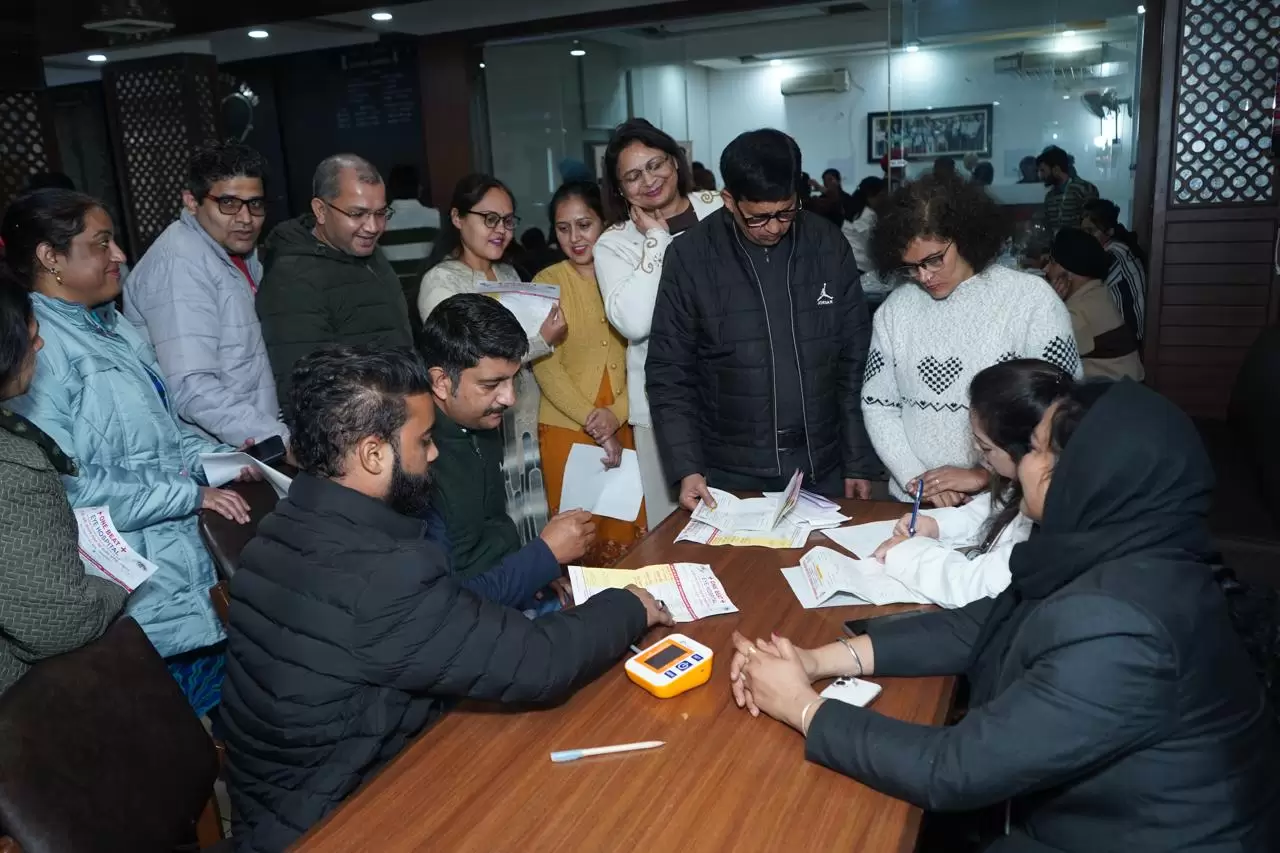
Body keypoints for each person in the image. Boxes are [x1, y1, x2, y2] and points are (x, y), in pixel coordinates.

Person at [729, 379, 1280, 852]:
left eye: (1036, 449)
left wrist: (802, 707)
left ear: (1084, 475)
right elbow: (979, 624)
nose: (1021, 463)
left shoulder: (1125, 627)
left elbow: (955, 770)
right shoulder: (1114, 548)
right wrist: (817, 660)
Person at [221, 344, 673, 853]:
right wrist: (631, 605)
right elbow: (539, 662)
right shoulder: (384, 574)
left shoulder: (281, 525)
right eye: (423, 440)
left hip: (272, 803)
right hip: (333, 819)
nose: (434, 454)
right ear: (373, 454)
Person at [3, 189, 256, 716]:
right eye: (102, 243)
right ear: (51, 257)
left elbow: (164, 439)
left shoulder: (111, 325)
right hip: (133, 600)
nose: (119, 254)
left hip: (181, 579)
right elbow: (65, 490)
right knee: (169, 749)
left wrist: (229, 459)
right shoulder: (35, 347)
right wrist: (189, 495)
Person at [648, 128, 877, 506]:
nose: (774, 227)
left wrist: (857, 461)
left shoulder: (826, 244)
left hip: (823, 463)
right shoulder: (690, 257)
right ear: (729, 200)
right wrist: (687, 466)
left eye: (786, 212)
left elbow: (855, 360)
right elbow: (670, 373)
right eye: (758, 217)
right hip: (731, 473)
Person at [861, 174, 1080, 505]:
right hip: (916, 499)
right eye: (911, 267)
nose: (924, 276)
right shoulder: (896, 309)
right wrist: (919, 481)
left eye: (934, 259)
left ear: (964, 237)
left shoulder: (1031, 300)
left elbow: (1061, 409)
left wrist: (986, 474)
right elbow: (879, 404)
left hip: (1007, 503)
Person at [421, 294, 594, 611]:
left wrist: (534, 574)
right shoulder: (417, 466)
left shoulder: (479, 422)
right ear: (441, 382)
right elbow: (447, 607)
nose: (510, 399)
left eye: (513, 379)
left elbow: (494, 535)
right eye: (491, 385)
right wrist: (543, 556)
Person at [418, 174, 562, 545]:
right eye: (490, 219)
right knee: (495, 514)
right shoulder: (441, 281)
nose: (501, 230)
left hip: (522, 412)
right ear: (457, 218)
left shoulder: (509, 273)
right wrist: (542, 341)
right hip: (479, 422)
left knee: (530, 508)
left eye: (508, 221)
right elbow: (467, 356)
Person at [594, 119, 723, 527]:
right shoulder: (614, 243)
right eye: (632, 176)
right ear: (619, 188)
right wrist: (656, 239)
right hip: (664, 410)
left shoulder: (719, 208)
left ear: (675, 161)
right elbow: (635, 322)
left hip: (737, 395)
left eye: (655, 165)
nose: (649, 181)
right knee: (676, 530)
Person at [0, 283, 125, 696]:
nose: (40, 345)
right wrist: (116, 588)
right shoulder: (15, 468)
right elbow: (59, 620)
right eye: (31, 336)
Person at [870, 360, 1072, 608]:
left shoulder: (1052, 524)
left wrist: (906, 553)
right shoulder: (1034, 487)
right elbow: (993, 512)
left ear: (1027, 447)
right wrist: (937, 525)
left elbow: (974, 586)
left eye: (986, 447)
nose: (976, 448)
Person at [124, 140, 286, 447]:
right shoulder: (180, 264)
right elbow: (192, 388)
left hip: (251, 440)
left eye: (255, 204)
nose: (246, 218)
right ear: (191, 201)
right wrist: (276, 439)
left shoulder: (237, 252)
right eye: (228, 203)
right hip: (218, 454)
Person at [531, 182, 644, 560]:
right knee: (577, 538)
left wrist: (617, 414)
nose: (575, 238)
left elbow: (646, 355)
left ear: (604, 222)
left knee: (629, 532)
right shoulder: (547, 282)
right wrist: (596, 423)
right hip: (567, 426)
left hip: (626, 420)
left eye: (584, 225)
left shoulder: (629, 274)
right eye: (563, 229)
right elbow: (546, 366)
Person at [256, 154, 414, 415]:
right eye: (357, 214)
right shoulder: (293, 278)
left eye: (380, 213)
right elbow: (305, 388)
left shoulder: (367, 252)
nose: (373, 227)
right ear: (320, 210)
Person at [1046, 228, 1144, 381]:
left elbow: (1045, 352)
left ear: (1069, 273)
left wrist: (1052, 302)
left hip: (1111, 391)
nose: (1046, 269)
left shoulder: (1078, 310)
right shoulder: (1097, 291)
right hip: (1126, 385)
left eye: (1052, 262)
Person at [1081, 198, 1146, 344]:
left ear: (1109, 231)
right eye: (1083, 232)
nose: (1086, 237)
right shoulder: (1112, 250)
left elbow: (1085, 289)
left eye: (1091, 231)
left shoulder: (1115, 254)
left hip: (1128, 339)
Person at [379, 163, 441, 299]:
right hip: (427, 291)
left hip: (391, 294)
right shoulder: (435, 217)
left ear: (389, 189)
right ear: (419, 188)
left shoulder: (378, 220)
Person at [1037, 145, 1099, 236]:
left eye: (1043, 170)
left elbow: (1094, 224)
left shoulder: (1084, 189)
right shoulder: (1049, 197)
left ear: (1056, 169)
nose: (1040, 176)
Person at [841, 176, 886, 275]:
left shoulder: (855, 210)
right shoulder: (867, 215)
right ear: (871, 195)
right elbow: (870, 244)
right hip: (860, 264)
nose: (883, 200)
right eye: (881, 195)